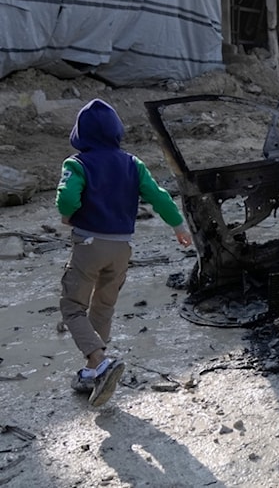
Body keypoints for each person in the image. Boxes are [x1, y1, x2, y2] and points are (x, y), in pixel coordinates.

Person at [56, 99, 192, 407]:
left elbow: (66, 198)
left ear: (80, 134)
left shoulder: (76, 164)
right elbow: (158, 196)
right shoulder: (133, 163)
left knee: (72, 307)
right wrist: (179, 226)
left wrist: (68, 215)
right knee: (103, 306)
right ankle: (92, 372)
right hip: (122, 247)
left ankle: (99, 361)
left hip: (89, 244)